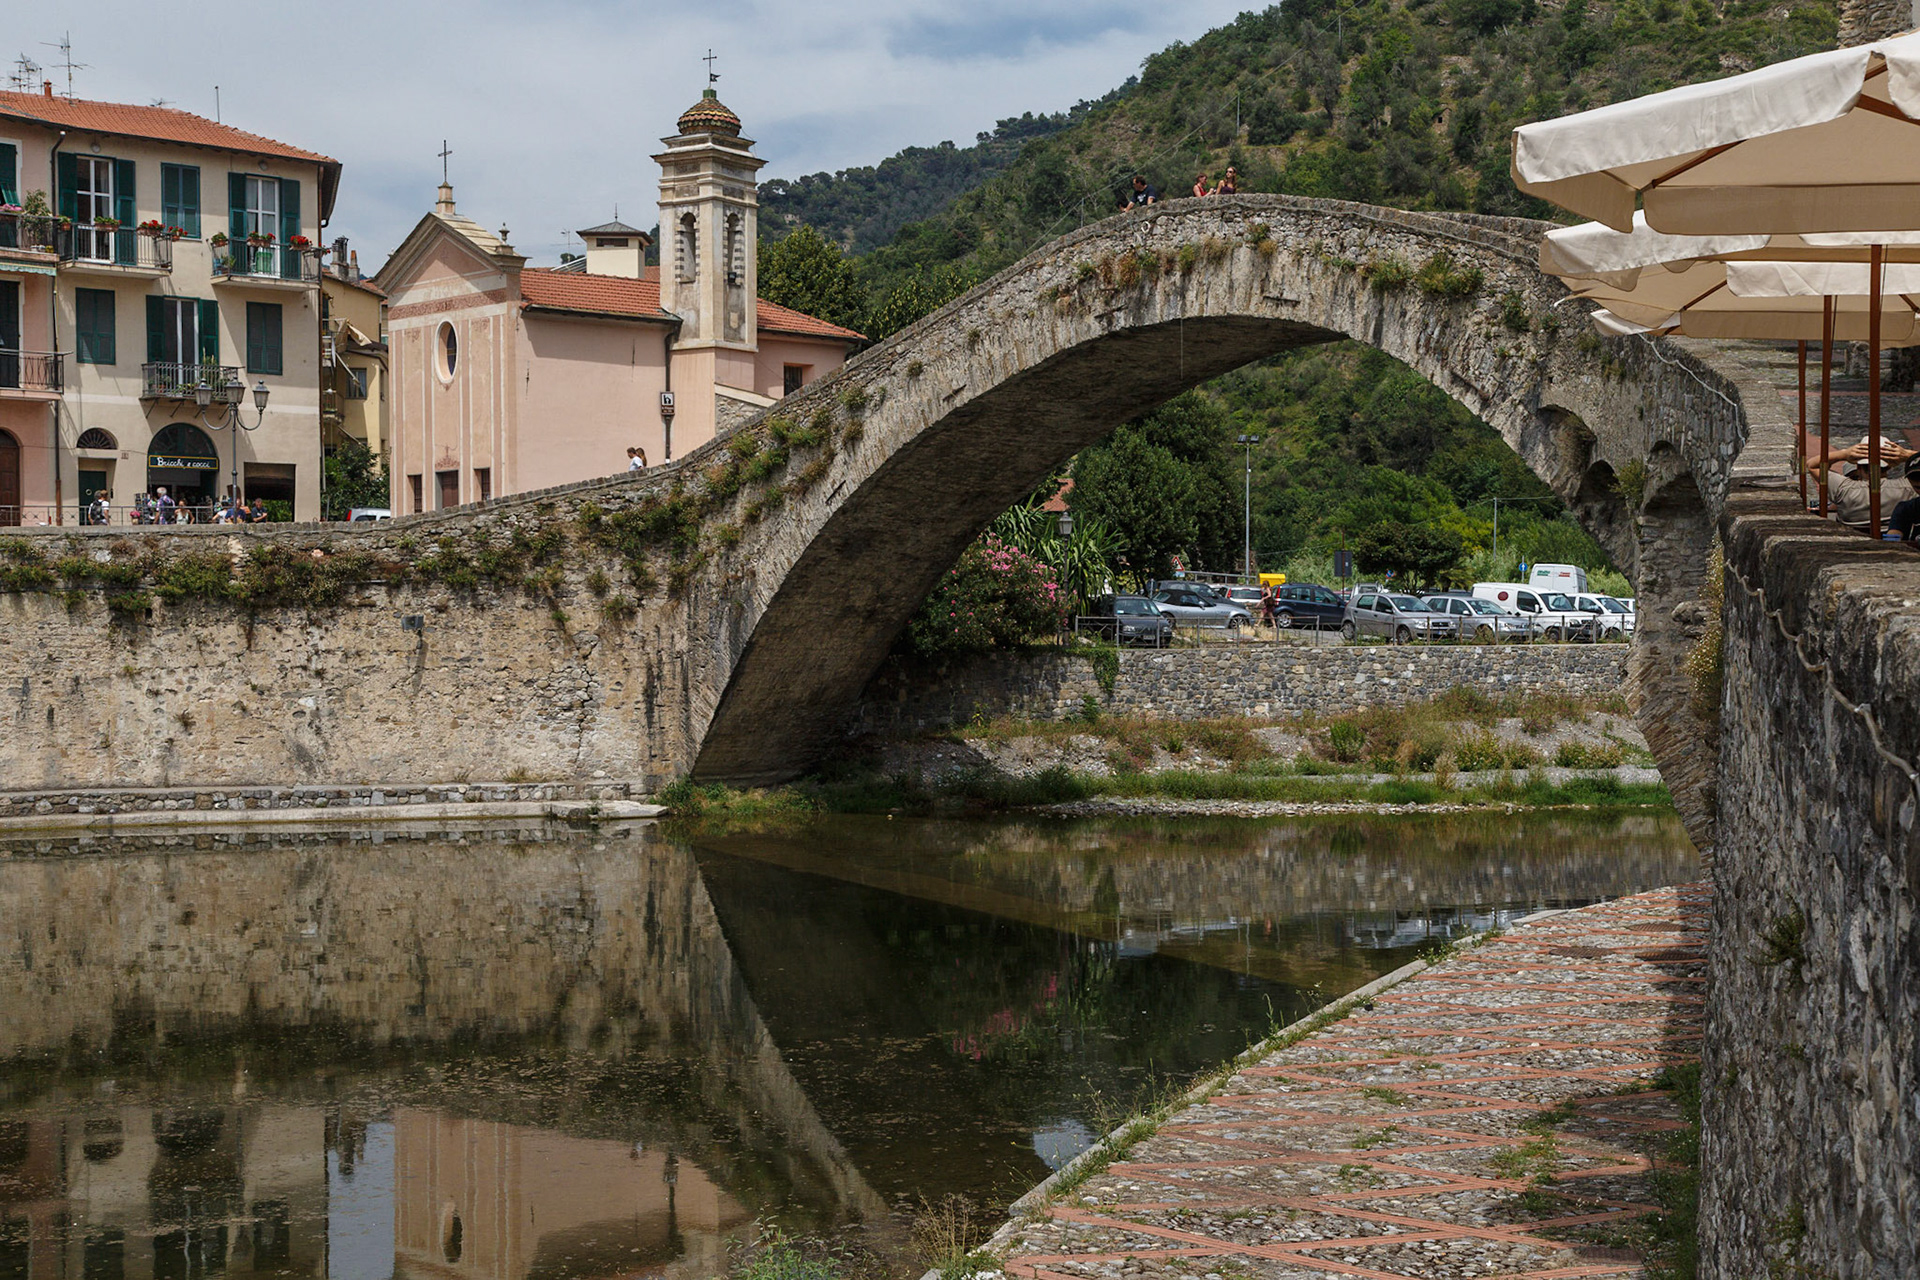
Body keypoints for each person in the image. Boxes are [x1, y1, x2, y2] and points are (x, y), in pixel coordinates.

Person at [1815, 434, 1917, 529]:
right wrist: (1909, 455)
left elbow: (1813, 465)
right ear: (1890, 467)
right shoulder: (1908, 487)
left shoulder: (1843, 487)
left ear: (1858, 467)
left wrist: (1844, 454)